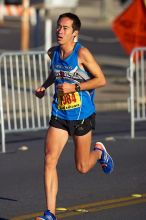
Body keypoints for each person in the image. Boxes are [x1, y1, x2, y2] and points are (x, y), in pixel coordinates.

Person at [35, 12, 114, 220]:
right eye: (58, 27)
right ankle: (50, 214)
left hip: (82, 115)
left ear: (75, 34)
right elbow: (56, 72)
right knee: (49, 160)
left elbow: (101, 80)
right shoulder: (53, 53)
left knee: (82, 167)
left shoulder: (82, 54)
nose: (60, 31)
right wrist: (44, 87)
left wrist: (75, 87)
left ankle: (99, 153)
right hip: (59, 113)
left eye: (65, 28)